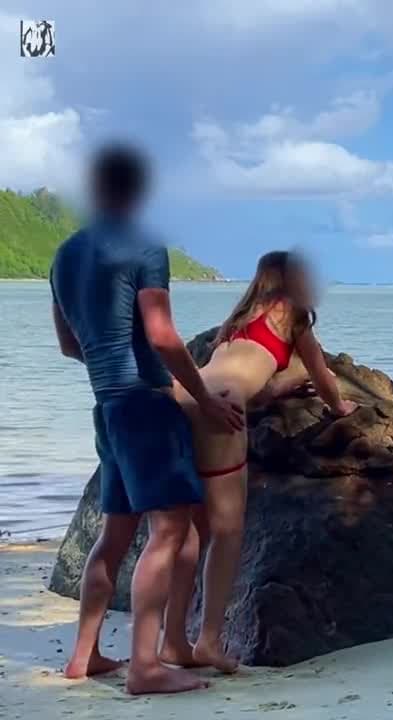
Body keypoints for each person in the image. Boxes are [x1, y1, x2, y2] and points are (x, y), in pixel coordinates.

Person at [52, 144, 245, 694]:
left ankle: (83, 657)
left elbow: (70, 344)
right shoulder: (144, 246)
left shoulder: (64, 255)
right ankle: (145, 665)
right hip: (144, 404)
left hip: (107, 407)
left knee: (114, 538)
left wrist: (111, 361)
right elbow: (162, 336)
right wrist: (205, 397)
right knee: (170, 531)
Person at [159, 250, 356, 674]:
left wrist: (280, 388)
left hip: (180, 397)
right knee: (227, 529)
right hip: (221, 410)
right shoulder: (294, 318)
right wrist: (340, 406)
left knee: (189, 530)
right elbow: (322, 375)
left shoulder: (236, 322)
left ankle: (172, 639)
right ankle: (209, 640)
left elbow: (247, 375)